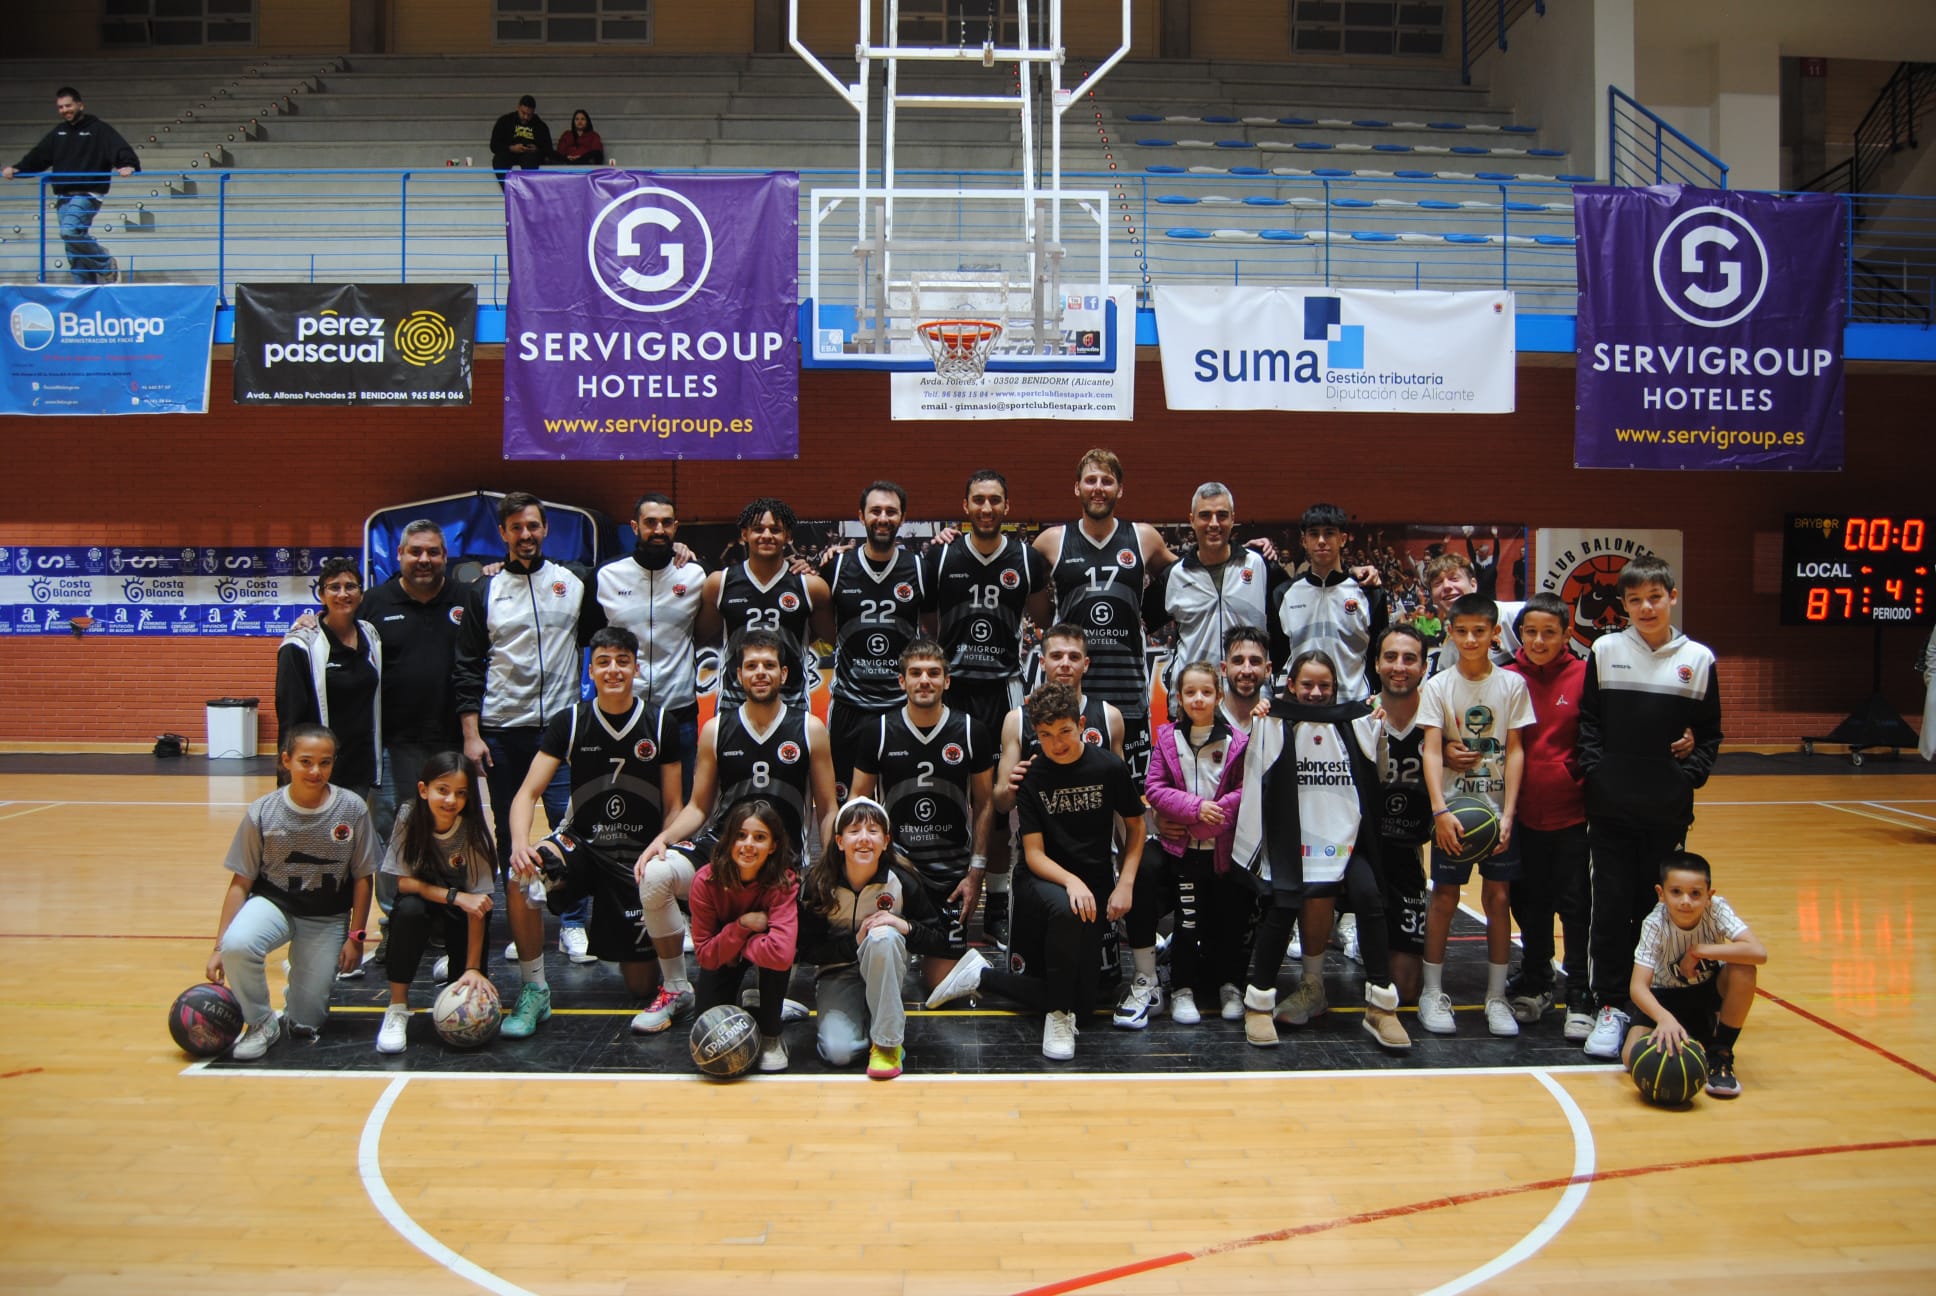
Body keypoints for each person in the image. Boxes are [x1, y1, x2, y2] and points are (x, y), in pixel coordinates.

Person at [927, 683, 1147, 1062]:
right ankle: (1058, 1019)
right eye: (1045, 735)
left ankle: (981, 977)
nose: (1056, 743)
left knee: (1087, 1001)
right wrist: (1072, 881)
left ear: (1080, 724)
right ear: (1034, 733)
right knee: (1067, 909)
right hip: (1040, 878)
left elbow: (1137, 826)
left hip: (1094, 883)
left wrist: (1125, 882)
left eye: (1064, 731)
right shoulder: (1032, 775)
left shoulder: (1108, 767)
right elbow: (1033, 854)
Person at [631, 630, 838, 1034]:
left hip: (783, 862)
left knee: (796, 921)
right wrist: (664, 839)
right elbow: (698, 807)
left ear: (784, 672)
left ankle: (765, 992)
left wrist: (832, 867)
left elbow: (827, 808)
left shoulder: (810, 728)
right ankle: (676, 988)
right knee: (655, 876)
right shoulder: (716, 729)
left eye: (768, 665)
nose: (760, 673)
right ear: (738, 675)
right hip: (723, 854)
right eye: (751, 666)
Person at [502, 628, 684, 1038]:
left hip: (637, 858)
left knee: (639, 986)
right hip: (582, 845)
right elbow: (527, 793)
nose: (613, 669)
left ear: (637, 668)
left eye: (622, 661)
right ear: (591, 670)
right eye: (603, 661)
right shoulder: (569, 721)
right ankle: (534, 989)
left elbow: (674, 805)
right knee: (520, 874)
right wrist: (519, 844)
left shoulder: (660, 723)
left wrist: (666, 852)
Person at [1577, 555, 1723, 1060]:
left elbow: (1708, 735)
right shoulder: (1605, 649)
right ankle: (1611, 1005)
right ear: (1624, 604)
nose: (1645, 607)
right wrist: (1598, 772)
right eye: (1635, 599)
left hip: (1665, 810)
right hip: (1611, 806)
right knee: (1611, 906)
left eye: (1654, 597)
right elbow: (1589, 723)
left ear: (1673, 597)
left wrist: (1686, 775)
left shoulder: (1699, 660)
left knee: (1653, 911)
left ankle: (1648, 1004)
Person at [1234, 651, 1411, 1052]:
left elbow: (1378, 773)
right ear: (1290, 686)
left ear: (1336, 689)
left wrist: (1378, 731)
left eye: (1324, 686)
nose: (1315, 693)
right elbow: (1254, 773)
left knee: (1369, 897)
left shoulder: (1356, 725)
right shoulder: (1274, 722)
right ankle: (1258, 1004)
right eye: (1307, 684)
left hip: (1346, 838)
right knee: (1283, 906)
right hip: (1291, 838)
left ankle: (1381, 1007)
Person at [453, 492, 604, 962]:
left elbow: (597, 645)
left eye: (533, 526)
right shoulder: (483, 591)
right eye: (516, 528)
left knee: (572, 826)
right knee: (508, 833)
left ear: (545, 530)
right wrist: (472, 734)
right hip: (501, 730)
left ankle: (574, 922)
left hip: (560, 731)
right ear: (503, 534)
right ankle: (522, 925)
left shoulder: (574, 582)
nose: (525, 535)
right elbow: (467, 667)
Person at [924, 468, 1051, 940]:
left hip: (1003, 688)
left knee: (1000, 806)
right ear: (965, 506)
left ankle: (997, 903)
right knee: (946, 800)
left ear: (1007, 506)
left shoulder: (1026, 557)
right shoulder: (941, 556)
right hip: (953, 691)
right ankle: (941, 894)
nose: (986, 508)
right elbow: (928, 618)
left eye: (995, 500)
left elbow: (1041, 616)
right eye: (978, 500)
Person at [205, 724, 377, 1061]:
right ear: (286, 760)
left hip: (326, 916)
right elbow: (241, 882)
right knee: (237, 945)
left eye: (325, 763)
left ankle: (302, 984)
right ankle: (260, 1023)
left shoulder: (352, 808)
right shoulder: (262, 811)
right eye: (306, 762)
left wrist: (355, 937)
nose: (315, 771)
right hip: (275, 903)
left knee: (306, 1022)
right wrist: (219, 946)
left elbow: (363, 878)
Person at [1417, 593, 1536, 1037]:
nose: (1470, 639)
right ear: (1450, 632)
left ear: (1494, 634)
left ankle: (1496, 997)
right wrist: (1440, 811)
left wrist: (1508, 815)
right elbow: (1431, 750)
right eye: (1462, 631)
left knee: (1499, 898)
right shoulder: (1439, 685)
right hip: (1454, 812)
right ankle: (1432, 991)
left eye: (1479, 631)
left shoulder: (1512, 685)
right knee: (1444, 898)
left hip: (1496, 811)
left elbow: (1517, 749)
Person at [848, 638, 994, 986]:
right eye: (915, 673)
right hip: (896, 870)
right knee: (883, 975)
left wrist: (975, 873)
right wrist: (858, 875)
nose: (924, 680)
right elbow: (857, 802)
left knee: (939, 984)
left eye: (933, 673)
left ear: (947, 680)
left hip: (951, 876)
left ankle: (940, 953)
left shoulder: (972, 730)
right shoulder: (878, 732)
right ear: (902, 681)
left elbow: (985, 803)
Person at [1033, 449, 1181, 781]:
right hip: (1071, 694)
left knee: (1129, 796)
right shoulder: (1052, 542)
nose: (1098, 487)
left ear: (1120, 489)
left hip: (1127, 691)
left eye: (1107, 481)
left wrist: (1247, 551)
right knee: (1070, 787)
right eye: (1091, 480)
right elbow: (1036, 609)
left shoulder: (1144, 538)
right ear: (1077, 488)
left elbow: (1187, 574)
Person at [797, 797, 955, 1079]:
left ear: (885, 841)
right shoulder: (820, 884)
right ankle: (874, 1016)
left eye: (873, 831)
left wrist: (903, 925)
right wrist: (855, 942)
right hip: (838, 973)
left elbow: (940, 941)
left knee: (882, 935)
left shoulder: (902, 880)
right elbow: (806, 950)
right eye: (854, 831)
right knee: (839, 1053)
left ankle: (887, 1044)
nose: (864, 839)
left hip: (885, 968)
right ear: (839, 841)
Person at [1502, 593, 1593, 1039]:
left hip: (1570, 814)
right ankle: (1537, 980)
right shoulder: (1506, 677)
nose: (1539, 640)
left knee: (1575, 906)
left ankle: (1579, 990)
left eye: (1550, 632)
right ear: (1520, 634)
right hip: (1518, 815)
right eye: (1531, 632)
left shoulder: (1585, 676)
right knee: (1529, 902)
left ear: (1566, 634)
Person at [1139, 660, 1248, 1027]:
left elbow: (1246, 791)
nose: (1198, 699)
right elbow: (1154, 788)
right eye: (1190, 692)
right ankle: (1182, 989)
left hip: (1224, 853)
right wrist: (1196, 809)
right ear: (1179, 698)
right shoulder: (1167, 738)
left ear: (1219, 695)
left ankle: (1230, 986)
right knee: (1186, 922)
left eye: (1205, 692)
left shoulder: (1238, 741)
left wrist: (1214, 815)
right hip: (1184, 853)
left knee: (1228, 922)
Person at [374, 751, 498, 1055]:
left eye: (460, 794)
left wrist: (473, 969)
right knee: (407, 911)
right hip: (426, 903)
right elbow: (404, 883)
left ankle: (456, 967)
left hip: (461, 913)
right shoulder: (409, 816)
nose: (450, 801)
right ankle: (397, 1007)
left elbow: (479, 904)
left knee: (466, 981)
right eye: (442, 791)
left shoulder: (473, 834)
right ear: (423, 789)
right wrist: (455, 896)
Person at [1617, 851, 1764, 1099]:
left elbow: (1758, 952)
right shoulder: (1654, 923)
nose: (1686, 901)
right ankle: (1682, 1030)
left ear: (1709, 896)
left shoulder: (1717, 910)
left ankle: (1721, 1053)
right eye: (1676, 892)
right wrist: (1664, 1018)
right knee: (1632, 1058)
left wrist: (1699, 951)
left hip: (1706, 990)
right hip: (1664, 996)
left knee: (1744, 967)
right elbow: (1638, 987)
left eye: (1695, 893)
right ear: (1661, 894)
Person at [360, 521, 467, 845]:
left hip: (451, 740)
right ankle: (394, 899)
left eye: (433, 552)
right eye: (415, 551)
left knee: (450, 824)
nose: (424, 559)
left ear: (445, 557)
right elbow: (337, 633)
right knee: (392, 828)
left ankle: (445, 894)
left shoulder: (466, 599)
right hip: (392, 744)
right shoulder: (373, 603)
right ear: (399, 554)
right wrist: (312, 620)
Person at [597, 492, 707, 794]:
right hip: (621, 709)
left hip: (678, 709)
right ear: (635, 526)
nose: (659, 530)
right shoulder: (606, 575)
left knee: (679, 799)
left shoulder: (695, 574)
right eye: (650, 522)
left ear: (676, 527)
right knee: (624, 798)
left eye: (666, 523)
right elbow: (589, 638)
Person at [821, 480, 926, 799]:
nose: (883, 517)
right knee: (848, 802)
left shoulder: (919, 568)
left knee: (904, 800)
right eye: (875, 510)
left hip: (900, 706)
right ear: (861, 516)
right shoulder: (836, 568)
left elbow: (933, 629)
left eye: (891, 511)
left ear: (903, 518)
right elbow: (825, 633)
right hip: (850, 705)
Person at [1144, 482, 1279, 717]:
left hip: (1252, 703)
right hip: (1193, 703)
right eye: (1205, 515)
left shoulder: (1259, 565)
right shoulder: (1175, 575)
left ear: (1233, 519)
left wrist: (1357, 575)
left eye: (1222, 515)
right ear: (1192, 520)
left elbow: (1285, 626)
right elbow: (1141, 621)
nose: (1214, 524)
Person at [689, 800, 800, 1073]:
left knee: (775, 964)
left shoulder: (784, 881)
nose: (748, 844)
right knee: (707, 1028)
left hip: (742, 951)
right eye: (741, 835)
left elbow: (782, 954)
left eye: (759, 837)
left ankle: (772, 1034)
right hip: (725, 953)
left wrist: (737, 944)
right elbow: (705, 955)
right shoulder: (705, 881)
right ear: (729, 841)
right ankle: (754, 998)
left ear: (773, 846)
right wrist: (742, 925)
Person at [697, 497, 832, 714]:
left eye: (775, 529)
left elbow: (832, 637)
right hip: (734, 699)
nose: (767, 535)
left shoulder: (811, 586)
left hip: (791, 699)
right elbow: (699, 636)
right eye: (758, 529)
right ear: (744, 534)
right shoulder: (719, 583)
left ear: (787, 535)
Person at [2, 87, 139, 284]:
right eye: (60, 107)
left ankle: (107, 265)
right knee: (73, 249)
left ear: (79, 105)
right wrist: (18, 169)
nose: (64, 110)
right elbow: (39, 156)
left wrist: (128, 165)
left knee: (70, 232)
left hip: (88, 193)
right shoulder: (59, 132)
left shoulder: (98, 129)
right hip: (64, 195)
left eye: (68, 105)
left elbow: (119, 148)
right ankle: (84, 292)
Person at [274, 557, 381, 800]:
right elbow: (290, 717)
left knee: (348, 835)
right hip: (317, 769)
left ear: (361, 595)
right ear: (322, 595)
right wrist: (287, 774)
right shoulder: (300, 644)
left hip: (359, 766)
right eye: (334, 587)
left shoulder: (371, 636)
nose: (343, 594)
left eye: (350, 586)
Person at [1366, 624, 1432, 1005]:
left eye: (1410, 658)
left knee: (1405, 991)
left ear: (1424, 667)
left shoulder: (1439, 719)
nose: (1399, 666)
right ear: (1376, 663)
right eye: (1390, 657)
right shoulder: (1360, 717)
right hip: (1360, 852)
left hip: (1407, 851)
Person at [1274, 503, 1386, 701]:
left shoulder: (1368, 593)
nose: (1321, 541)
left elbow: (1379, 654)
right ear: (1304, 541)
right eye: (1314, 534)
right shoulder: (1284, 594)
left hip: (1354, 705)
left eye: (1329, 533)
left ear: (1342, 539)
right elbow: (1279, 656)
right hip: (1303, 705)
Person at [489, 94, 551, 189]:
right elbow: (494, 145)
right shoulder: (505, 121)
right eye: (523, 113)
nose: (526, 117)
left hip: (530, 157)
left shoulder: (540, 125)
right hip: (509, 153)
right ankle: (510, 191)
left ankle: (528, 192)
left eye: (529, 115)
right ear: (518, 108)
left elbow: (548, 149)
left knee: (531, 160)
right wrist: (511, 148)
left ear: (533, 112)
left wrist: (537, 149)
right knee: (498, 160)